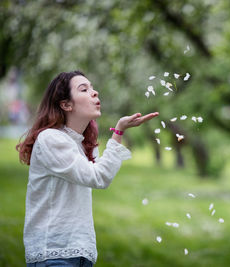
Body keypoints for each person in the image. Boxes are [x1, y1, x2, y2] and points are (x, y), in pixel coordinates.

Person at [16, 70, 158, 266]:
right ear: (66, 104)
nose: (94, 92)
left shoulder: (80, 144)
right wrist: (118, 132)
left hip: (80, 253)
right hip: (54, 254)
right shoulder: (51, 139)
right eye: (84, 89)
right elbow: (98, 178)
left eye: (92, 87)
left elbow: (102, 175)